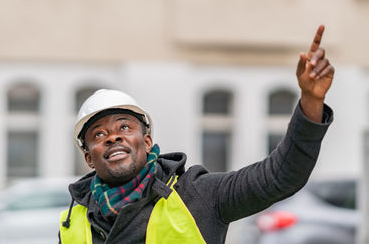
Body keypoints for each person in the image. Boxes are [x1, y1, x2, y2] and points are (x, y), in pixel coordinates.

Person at [59, 24, 334, 244]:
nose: (112, 137)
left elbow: (280, 176)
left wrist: (310, 102)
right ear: (89, 158)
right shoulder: (73, 223)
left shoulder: (199, 194)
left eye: (124, 127)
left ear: (146, 142)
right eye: (98, 134)